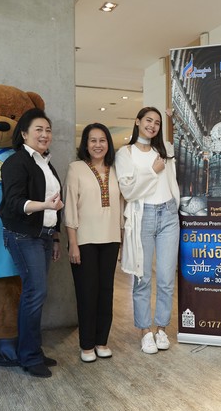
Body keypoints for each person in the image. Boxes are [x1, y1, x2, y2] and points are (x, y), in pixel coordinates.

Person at [0, 108, 64, 378]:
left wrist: (56, 236)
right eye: (39, 129)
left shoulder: (46, 163)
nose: (45, 134)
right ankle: (29, 356)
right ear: (24, 134)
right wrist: (44, 205)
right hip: (23, 235)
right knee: (35, 293)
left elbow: (56, 205)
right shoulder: (16, 162)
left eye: (48, 130)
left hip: (44, 236)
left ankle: (33, 350)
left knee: (37, 294)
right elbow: (13, 203)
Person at [115, 107, 180, 354]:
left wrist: (174, 118)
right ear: (137, 121)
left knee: (166, 277)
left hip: (169, 215)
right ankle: (144, 331)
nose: (152, 126)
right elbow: (128, 190)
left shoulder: (164, 150)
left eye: (157, 122)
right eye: (148, 120)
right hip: (143, 217)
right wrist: (152, 171)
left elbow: (183, 138)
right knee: (142, 278)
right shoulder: (125, 153)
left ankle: (161, 328)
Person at [64, 123, 121, 363]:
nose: (98, 145)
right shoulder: (76, 168)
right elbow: (69, 207)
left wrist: (123, 241)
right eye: (93, 140)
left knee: (106, 292)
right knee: (87, 293)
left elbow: (122, 207)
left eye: (102, 140)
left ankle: (101, 341)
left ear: (108, 143)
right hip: (84, 241)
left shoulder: (116, 170)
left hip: (111, 239)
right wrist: (73, 243)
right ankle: (86, 345)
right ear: (85, 144)